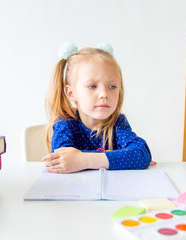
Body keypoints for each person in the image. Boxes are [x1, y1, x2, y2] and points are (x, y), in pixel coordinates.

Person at [43, 42, 155, 173]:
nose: (104, 94)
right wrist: (119, 157)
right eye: (92, 86)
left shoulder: (118, 122)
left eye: (112, 86)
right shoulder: (65, 123)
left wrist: (82, 160)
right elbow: (63, 159)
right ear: (71, 94)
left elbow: (141, 154)